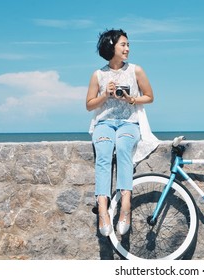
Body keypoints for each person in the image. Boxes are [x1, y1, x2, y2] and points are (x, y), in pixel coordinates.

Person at [86, 29, 159, 237]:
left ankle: (125, 205)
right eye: (123, 45)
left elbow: (150, 96)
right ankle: (102, 209)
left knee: (125, 148)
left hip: (129, 123)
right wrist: (105, 95)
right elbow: (90, 105)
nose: (127, 48)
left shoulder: (136, 70)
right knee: (104, 153)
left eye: (128, 45)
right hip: (104, 123)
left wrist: (131, 99)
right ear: (111, 46)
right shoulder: (98, 75)